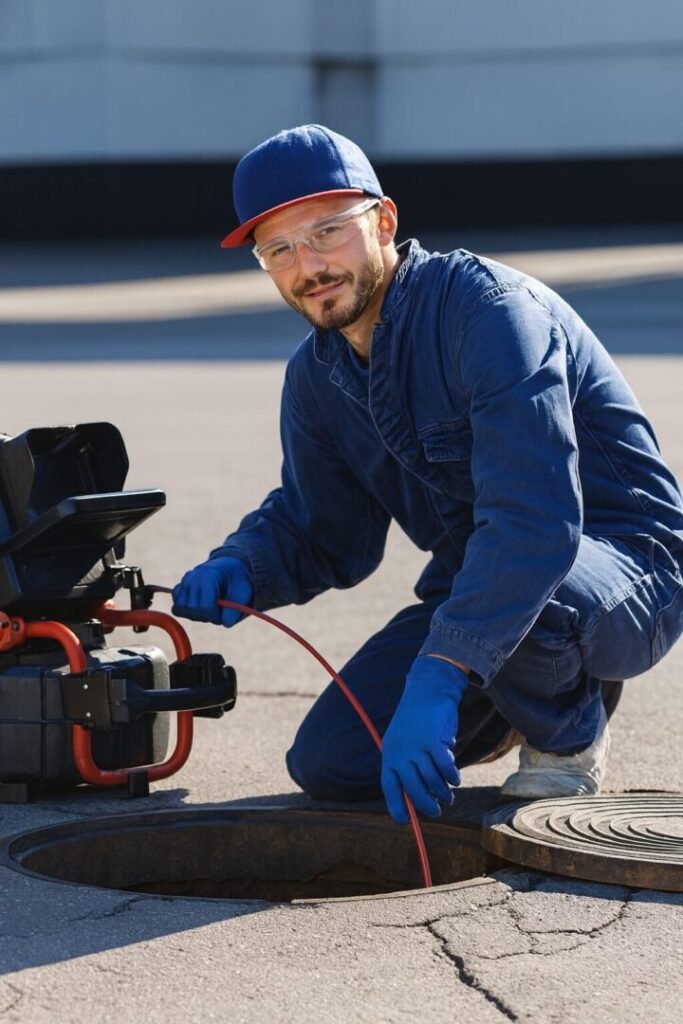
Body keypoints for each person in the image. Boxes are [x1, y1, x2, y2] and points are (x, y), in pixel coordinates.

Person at [172, 124, 683, 825]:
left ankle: (565, 735)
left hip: (621, 571)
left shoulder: (490, 315)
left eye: (326, 232)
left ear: (383, 220)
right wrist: (246, 563)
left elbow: (534, 524)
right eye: (279, 250)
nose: (307, 266)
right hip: (479, 583)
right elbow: (324, 529)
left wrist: (442, 674)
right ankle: (513, 690)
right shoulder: (317, 376)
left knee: (530, 586)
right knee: (332, 762)